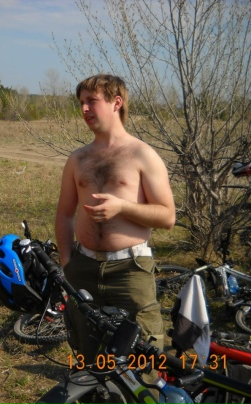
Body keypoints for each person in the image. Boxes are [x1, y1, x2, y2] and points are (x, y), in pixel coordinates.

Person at [54, 74, 176, 381]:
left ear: (116, 102)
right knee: (88, 357)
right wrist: (68, 263)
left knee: (142, 360)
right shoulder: (78, 159)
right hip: (83, 268)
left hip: (130, 271)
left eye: (91, 101)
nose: (84, 109)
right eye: (81, 102)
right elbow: (64, 215)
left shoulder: (142, 154)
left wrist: (122, 207)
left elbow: (167, 217)